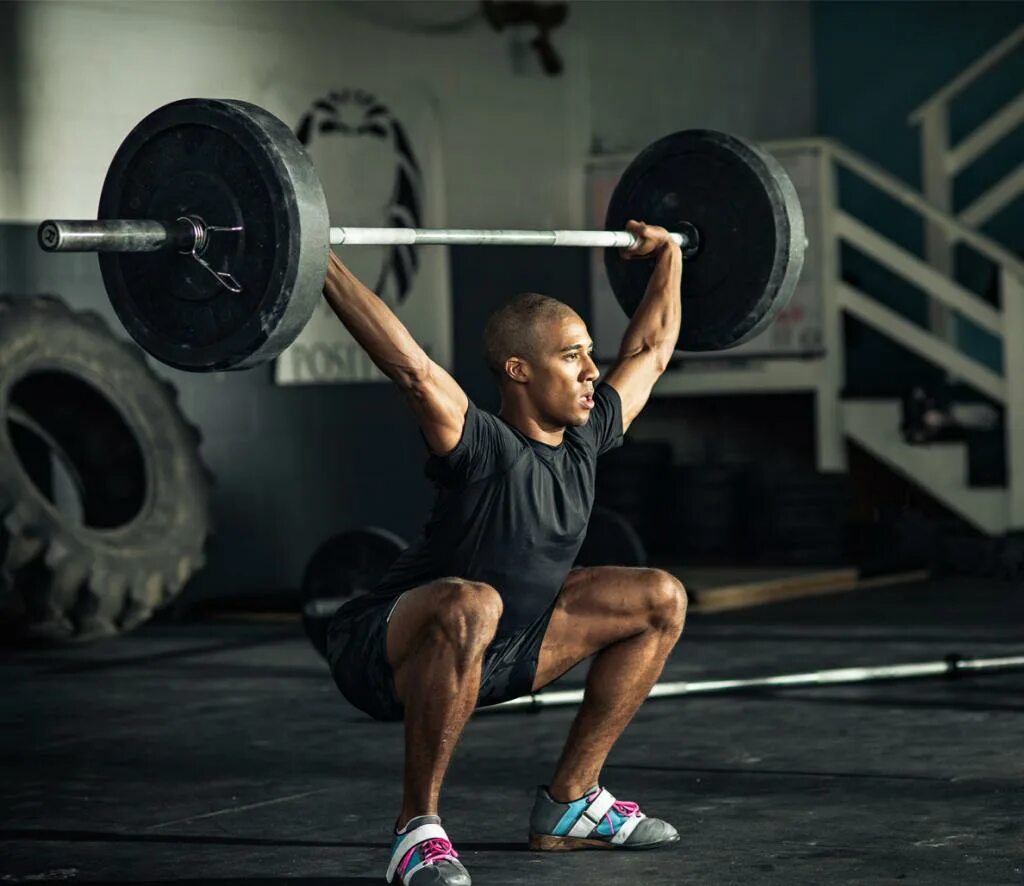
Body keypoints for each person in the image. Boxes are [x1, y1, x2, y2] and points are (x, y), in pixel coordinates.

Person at [322, 220, 686, 886]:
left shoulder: (587, 434)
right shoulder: (481, 444)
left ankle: (572, 803)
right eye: (571, 355)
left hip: (504, 650)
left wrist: (669, 256)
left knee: (660, 596)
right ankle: (416, 833)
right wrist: (316, 258)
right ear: (519, 370)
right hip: (383, 650)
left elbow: (654, 349)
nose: (591, 371)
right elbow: (408, 366)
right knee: (473, 601)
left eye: (590, 353)